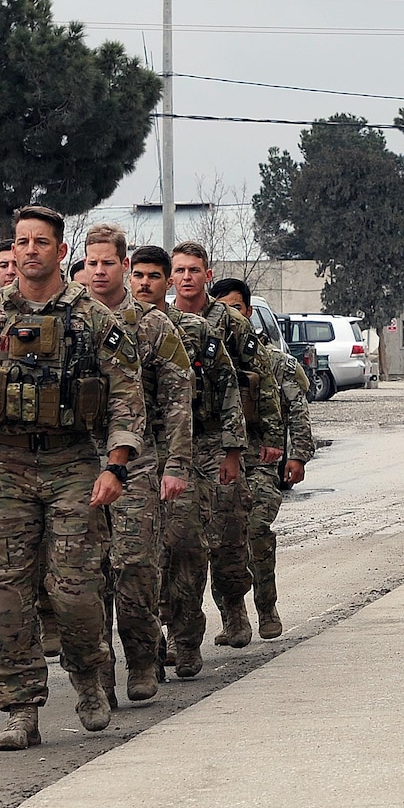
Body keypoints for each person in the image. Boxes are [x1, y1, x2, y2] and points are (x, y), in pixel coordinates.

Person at [0, 204, 145, 750]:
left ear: (61, 252)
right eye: (21, 242)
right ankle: (19, 707)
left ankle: (87, 676)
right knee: (5, 593)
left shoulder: (94, 320)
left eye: (41, 242)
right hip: (7, 467)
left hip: (73, 465)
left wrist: (115, 467)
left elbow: (127, 399)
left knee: (75, 590)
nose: (29, 250)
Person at [77, 228, 193, 702]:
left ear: (123, 265)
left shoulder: (151, 325)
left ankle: (143, 658)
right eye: (91, 263)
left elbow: (177, 399)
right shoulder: (68, 319)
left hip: (138, 462)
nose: (99, 271)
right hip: (77, 462)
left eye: (108, 263)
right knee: (85, 571)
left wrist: (177, 465)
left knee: (134, 565)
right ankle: (98, 667)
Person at [164, 245, 267, 650]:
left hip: (217, 436)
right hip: (172, 441)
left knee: (227, 533)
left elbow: (258, 381)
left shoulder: (228, 323)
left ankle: (234, 608)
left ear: (207, 275)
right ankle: (180, 627)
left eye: (194, 270)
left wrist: (258, 442)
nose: (186, 277)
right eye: (179, 271)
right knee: (176, 540)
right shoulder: (159, 321)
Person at [150, 246, 243, 675]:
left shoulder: (199, 330)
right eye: (177, 272)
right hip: (134, 453)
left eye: (192, 271)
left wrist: (232, 450)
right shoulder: (116, 329)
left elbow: (231, 389)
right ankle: (151, 640)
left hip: (196, 447)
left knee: (186, 545)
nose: (147, 283)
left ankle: (186, 639)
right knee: (139, 556)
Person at [216, 278, 314, 639]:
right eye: (222, 309)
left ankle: (266, 605)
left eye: (236, 308)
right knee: (220, 540)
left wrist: (298, 455)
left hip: (260, 461)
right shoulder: (205, 358)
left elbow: (297, 410)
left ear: (249, 312)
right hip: (217, 461)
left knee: (255, 530)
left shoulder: (274, 363)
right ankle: (233, 613)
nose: (230, 316)